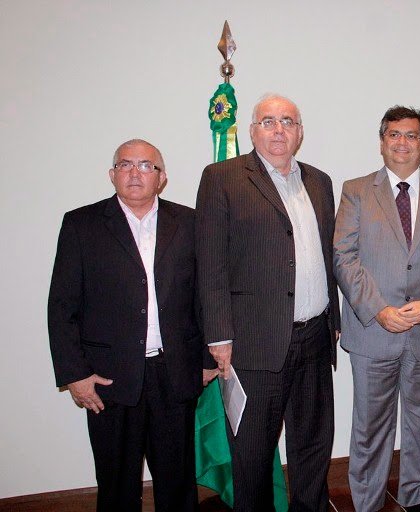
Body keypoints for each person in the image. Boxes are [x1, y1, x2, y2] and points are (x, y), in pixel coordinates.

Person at [48, 139, 216, 511]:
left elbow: (205, 296)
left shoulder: (189, 222)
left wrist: (206, 359)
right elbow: (61, 307)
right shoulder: (81, 225)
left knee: (177, 482)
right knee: (116, 484)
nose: (135, 173)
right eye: (125, 164)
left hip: (174, 373)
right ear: (112, 174)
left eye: (146, 165)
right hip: (108, 378)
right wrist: (75, 375)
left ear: (162, 177)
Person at [196, 93, 340, 511]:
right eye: (269, 121)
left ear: (300, 132)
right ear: (252, 130)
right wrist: (219, 336)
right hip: (253, 342)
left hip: (315, 337)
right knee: (253, 453)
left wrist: (333, 320)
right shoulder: (222, 177)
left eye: (288, 121)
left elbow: (326, 254)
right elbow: (211, 263)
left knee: (313, 444)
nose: (279, 130)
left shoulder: (319, 181)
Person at [334, 105, 420, 511]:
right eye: (394, 134)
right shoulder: (356, 191)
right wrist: (379, 310)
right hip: (373, 331)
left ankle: (419, 497)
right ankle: (368, 502)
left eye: (411, 135)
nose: (402, 142)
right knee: (369, 428)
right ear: (382, 142)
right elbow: (344, 256)